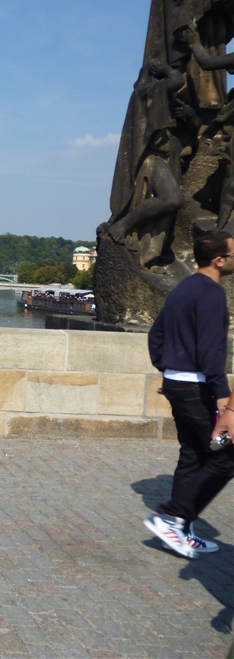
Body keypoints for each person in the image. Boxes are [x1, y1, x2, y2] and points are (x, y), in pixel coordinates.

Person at [145, 230, 234, 558]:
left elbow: (156, 336)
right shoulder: (211, 294)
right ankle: (173, 516)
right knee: (223, 457)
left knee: (193, 453)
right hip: (198, 386)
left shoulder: (182, 289)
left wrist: (168, 370)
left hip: (179, 382)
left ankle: (181, 529)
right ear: (219, 260)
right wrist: (224, 397)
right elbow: (211, 350)